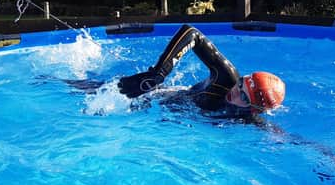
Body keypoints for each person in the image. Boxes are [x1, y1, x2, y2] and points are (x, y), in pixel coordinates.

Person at [117, 24, 285, 117]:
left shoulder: (247, 121)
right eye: (241, 83)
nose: (235, 90)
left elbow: (284, 140)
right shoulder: (227, 78)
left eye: (243, 96)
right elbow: (192, 33)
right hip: (158, 98)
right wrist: (159, 74)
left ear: (254, 109)